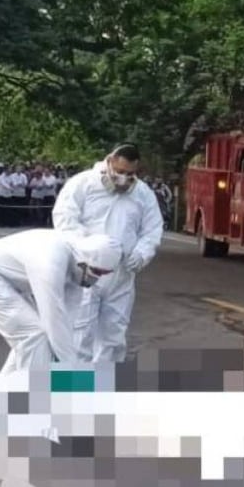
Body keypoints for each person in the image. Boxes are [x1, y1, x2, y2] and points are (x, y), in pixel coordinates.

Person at [0, 231, 122, 389]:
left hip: (8, 283)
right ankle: (36, 405)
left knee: (28, 345)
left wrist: (70, 366)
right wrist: (70, 371)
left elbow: (68, 321)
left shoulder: (76, 263)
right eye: (97, 272)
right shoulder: (51, 261)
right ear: (84, 260)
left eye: (103, 274)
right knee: (35, 337)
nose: (97, 278)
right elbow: (53, 317)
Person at [52, 143, 164, 362]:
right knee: (79, 332)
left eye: (130, 174)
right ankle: (75, 388)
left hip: (121, 274)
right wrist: (86, 248)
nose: (123, 179)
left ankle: (105, 386)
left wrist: (142, 253)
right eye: (120, 172)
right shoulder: (83, 184)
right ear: (110, 162)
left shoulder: (142, 193)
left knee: (114, 335)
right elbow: (65, 218)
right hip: (85, 271)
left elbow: (152, 228)